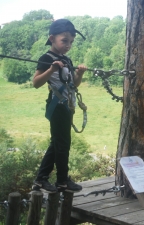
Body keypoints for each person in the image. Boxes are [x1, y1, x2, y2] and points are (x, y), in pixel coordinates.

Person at [31, 19, 87, 193]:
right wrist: (51, 70)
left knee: (58, 143)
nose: (68, 45)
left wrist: (79, 74)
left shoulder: (66, 59)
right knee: (62, 144)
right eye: (64, 41)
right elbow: (36, 83)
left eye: (71, 42)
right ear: (52, 38)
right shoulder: (46, 59)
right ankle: (62, 181)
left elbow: (74, 85)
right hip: (56, 106)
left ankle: (41, 179)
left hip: (66, 106)